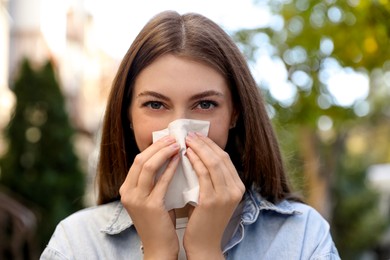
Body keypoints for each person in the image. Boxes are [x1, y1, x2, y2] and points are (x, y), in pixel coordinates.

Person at [41, 10, 340, 259]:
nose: (179, 129)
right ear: (127, 116)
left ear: (235, 113)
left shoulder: (302, 237)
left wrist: (205, 250)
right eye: (155, 104)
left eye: (205, 104)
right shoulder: (75, 244)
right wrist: (158, 252)